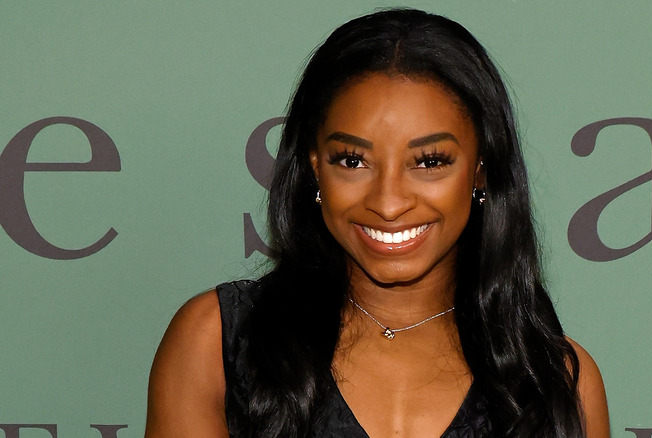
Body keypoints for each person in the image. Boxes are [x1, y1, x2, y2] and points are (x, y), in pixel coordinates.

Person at [145, 8, 609, 438]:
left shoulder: (557, 381)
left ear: (480, 169)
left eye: (429, 162)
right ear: (314, 167)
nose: (388, 204)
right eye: (352, 160)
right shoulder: (218, 343)